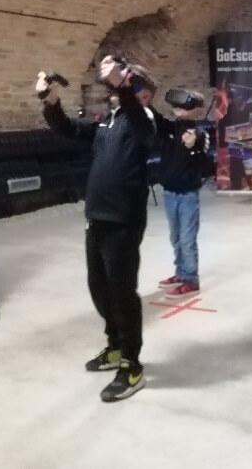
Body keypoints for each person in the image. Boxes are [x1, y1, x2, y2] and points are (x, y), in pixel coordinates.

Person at [36, 56, 155, 402]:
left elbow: (142, 127)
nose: (115, 90)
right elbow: (70, 131)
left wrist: (123, 85)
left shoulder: (144, 118)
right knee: (99, 289)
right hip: (98, 217)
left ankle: (132, 366)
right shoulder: (109, 121)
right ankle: (115, 346)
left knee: (122, 293)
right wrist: (51, 100)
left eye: (128, 85)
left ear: (143, 93)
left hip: (123, 220)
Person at [151, 90, 209, 298]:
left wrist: (193, 147)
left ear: (197, 110)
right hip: (169, 192)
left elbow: (205, 166)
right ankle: (180, 272)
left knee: (186, 238)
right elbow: (155, 117)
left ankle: (190, 279)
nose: (179, 109)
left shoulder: (200, 134)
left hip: (187, 195)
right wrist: (142, 99)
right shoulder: (169, 128)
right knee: (175, 237)